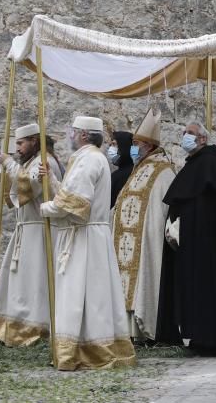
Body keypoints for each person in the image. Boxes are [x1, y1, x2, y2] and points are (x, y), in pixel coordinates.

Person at [38, 116, 135, 370]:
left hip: (84, 237)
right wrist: (52, 182)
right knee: (91, 294)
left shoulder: (89, 159)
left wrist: (45, 208)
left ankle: (84, 351)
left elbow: (77, 205)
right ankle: (85, 347)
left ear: (83, 135)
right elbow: (72, 194)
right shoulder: (88, 157)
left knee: (84, 294)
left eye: (72, 132)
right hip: (88, 234)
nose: (69, 135)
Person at [156, 122, 216, 354]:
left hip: (206, 241)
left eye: (189, 133)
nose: (184, 137)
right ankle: (202, 336)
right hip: (197, 238)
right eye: (183, 133)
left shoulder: (207, 164)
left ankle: (212, 338)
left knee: (207, 286)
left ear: (202, 139)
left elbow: (208, 206)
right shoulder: (199, 164)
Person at [0, 123, 61, 347]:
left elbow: (29, 186)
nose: (17, 147)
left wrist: (8, 164)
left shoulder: (45, 162)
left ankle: (35, 329)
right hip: (26, 228)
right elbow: (16, 192)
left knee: (35, 281)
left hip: (40, 230)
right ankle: (15, 327)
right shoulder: (30, 162)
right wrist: (2, 171)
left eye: (21, 143)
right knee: (21, 281)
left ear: (34, 141)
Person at [111, 109, 175, 344]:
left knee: (144, 281)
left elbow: (161, 210)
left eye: (137, 143)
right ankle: (127, 330)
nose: (134, 147)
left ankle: (144, 328)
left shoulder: (164, 170)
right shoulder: (139, 168)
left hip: (148, 241)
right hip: (127, 241)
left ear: (148, 146)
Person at [108, 130, 134, 207]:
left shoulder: (119, 176)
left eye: (114, 144)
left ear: (123, 147)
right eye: (110, 145)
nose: (110, 149)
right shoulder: (134, 170)